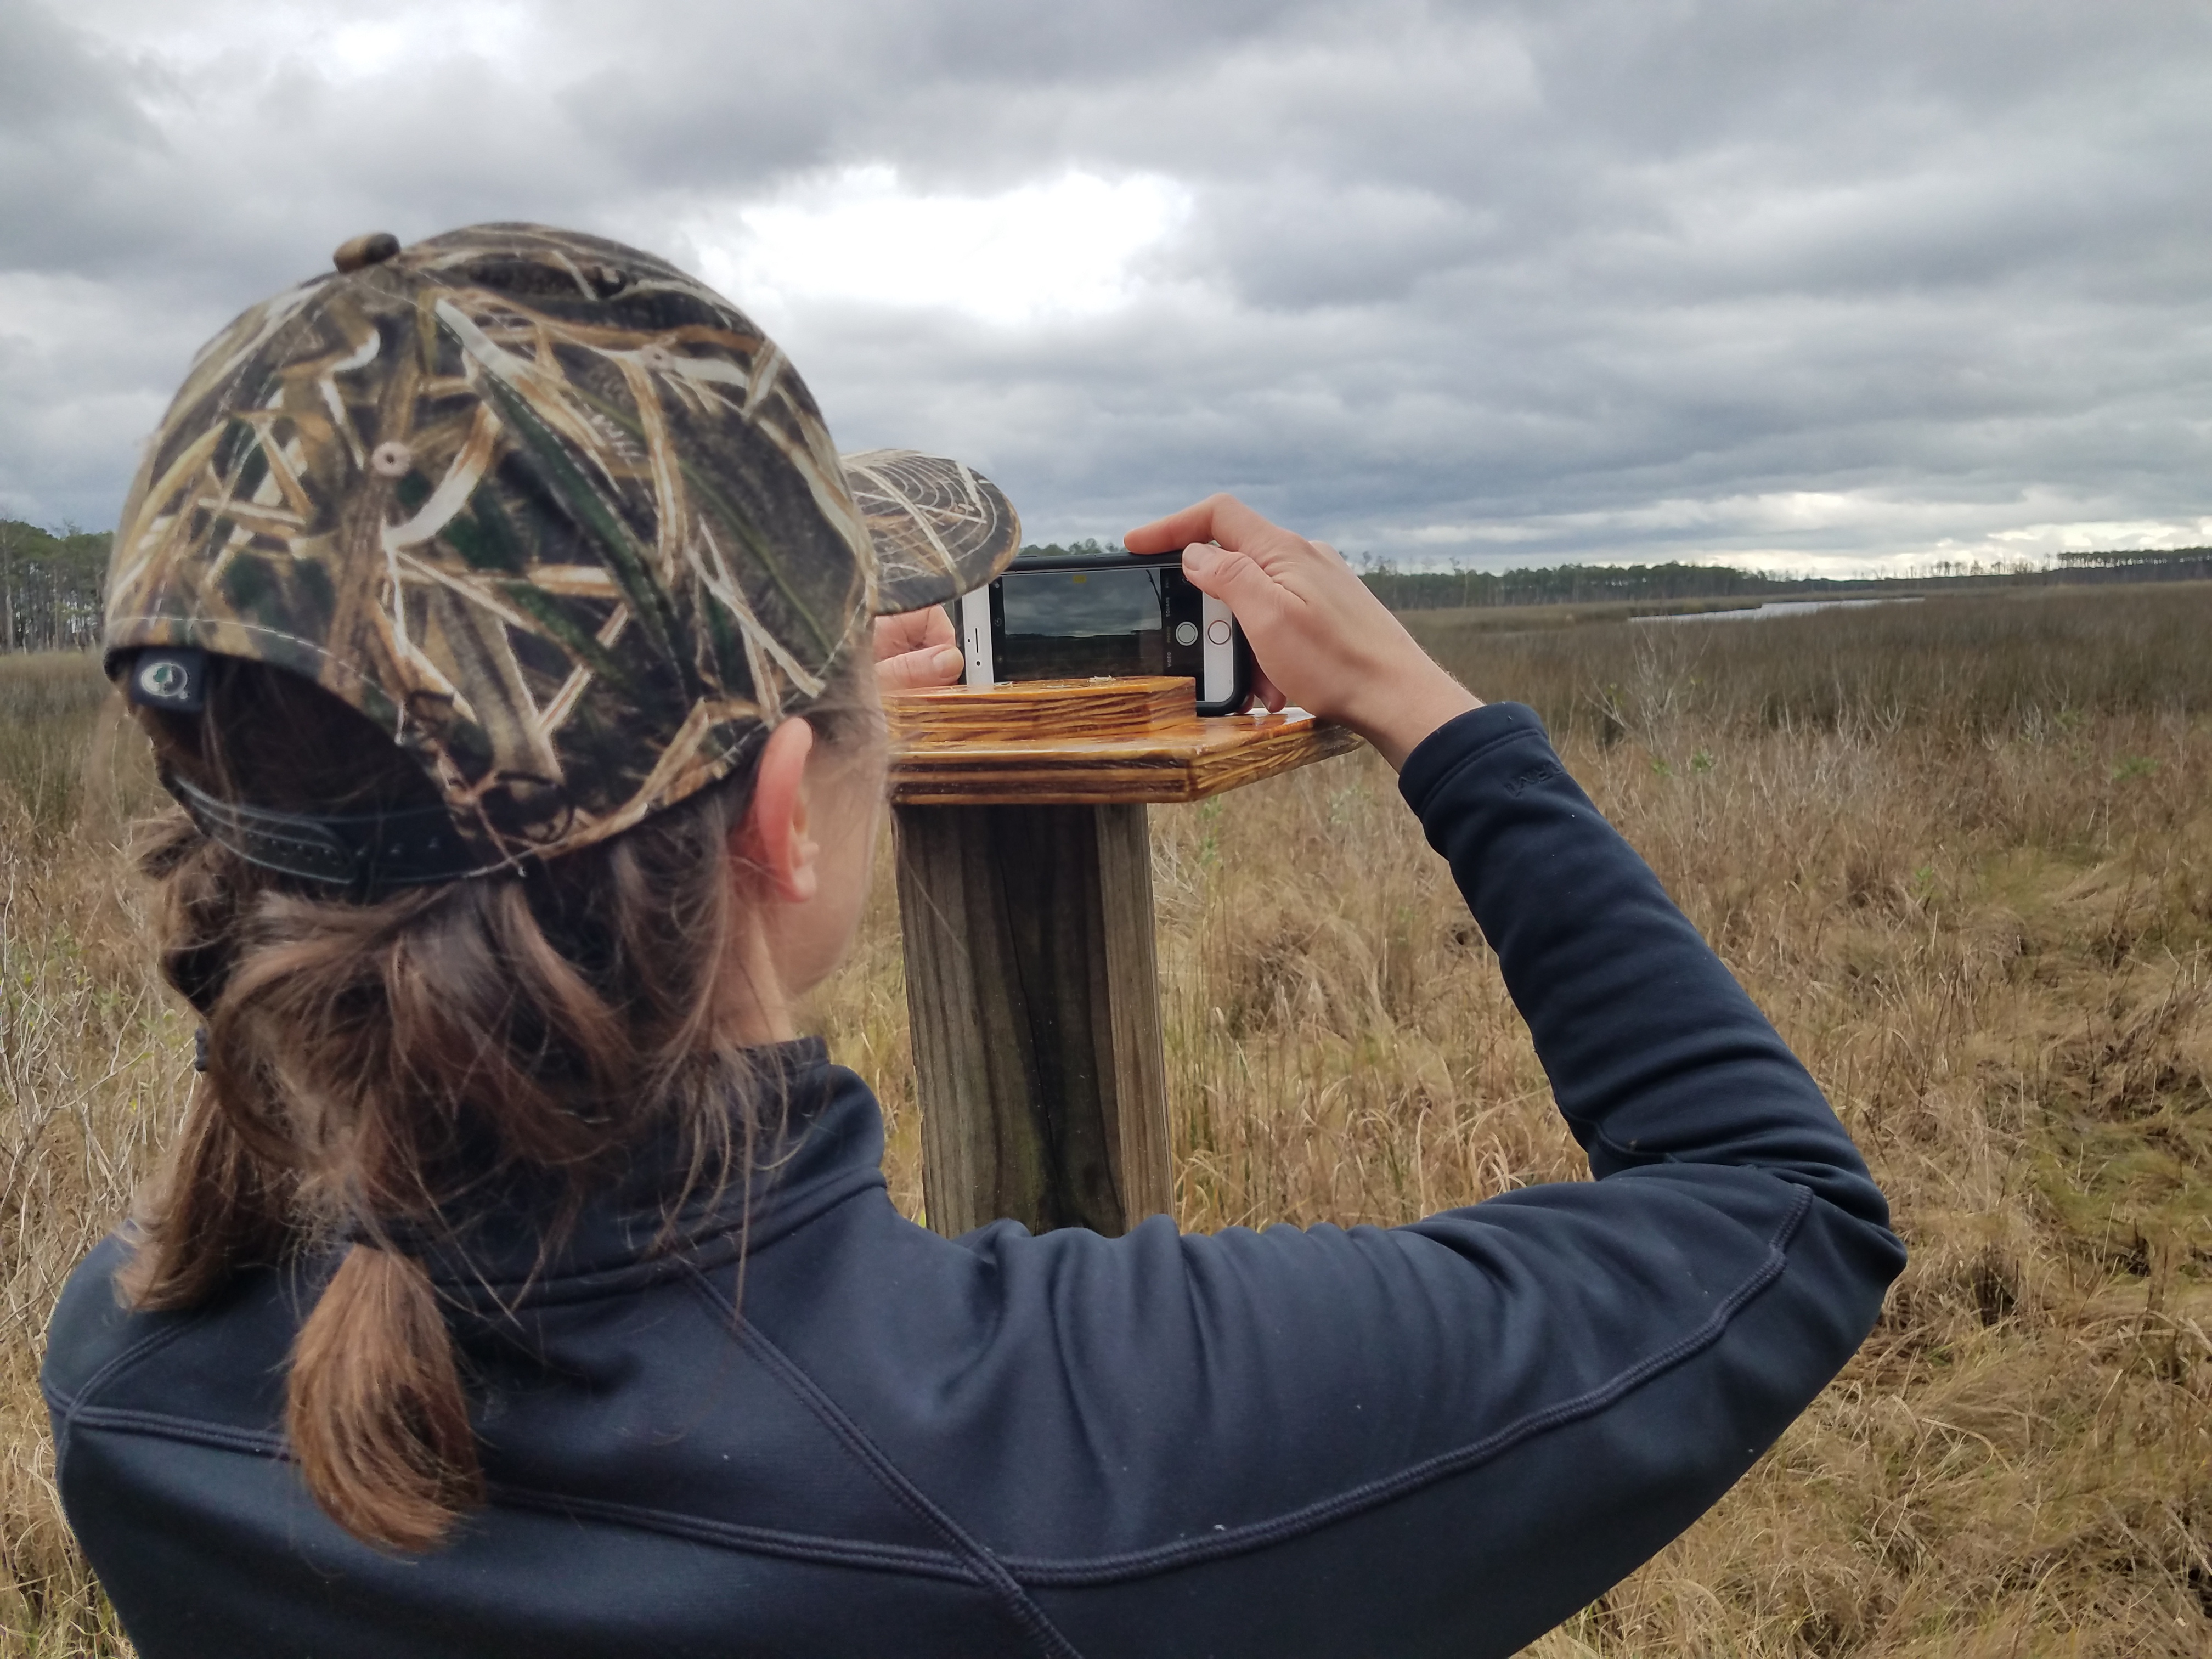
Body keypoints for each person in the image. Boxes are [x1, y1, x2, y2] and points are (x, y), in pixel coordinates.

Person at [43, 223, 1904, 1659]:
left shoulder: (138, 1384)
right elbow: (1782, 1214)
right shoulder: (1067, 1475)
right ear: (782, 821)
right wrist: (1443, 722)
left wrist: (787, 784)